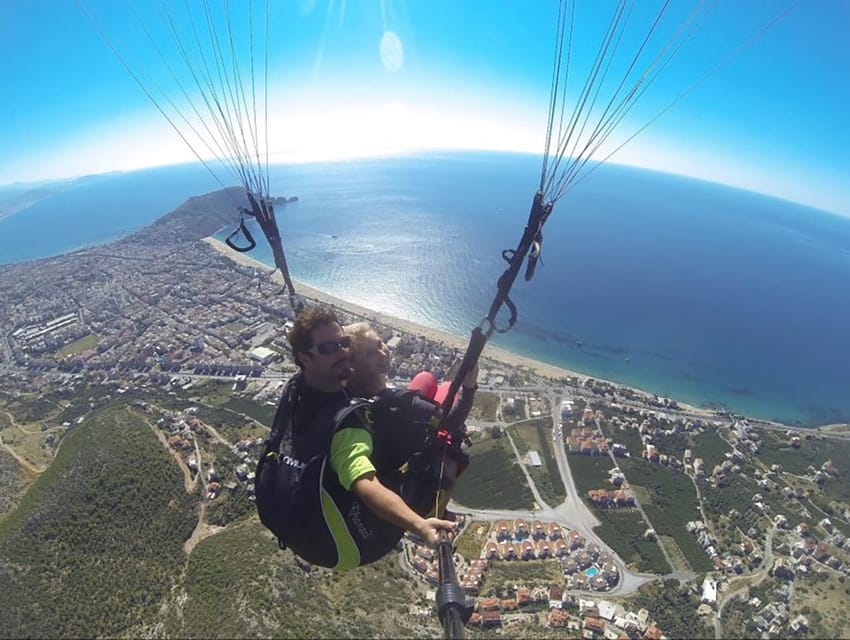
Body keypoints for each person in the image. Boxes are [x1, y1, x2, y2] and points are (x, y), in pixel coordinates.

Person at [255, 306, 456, 571]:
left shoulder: (296, 387)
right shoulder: (345, 422)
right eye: (329, 349)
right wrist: (420, 525)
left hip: (298, 526)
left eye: (344, 343)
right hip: (347, 545)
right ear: (305, 357)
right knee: (449, 443)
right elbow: (363, 482)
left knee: (424, 386)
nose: (341, 353)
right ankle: (434, 507)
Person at [343, 321, 479, 513]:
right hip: (409, 462)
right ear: (355, 365)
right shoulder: (403, 403)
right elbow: (452, 422)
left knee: (425, 378)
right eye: (370, 353)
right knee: (448, 388)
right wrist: (469, 387)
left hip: (385, 446)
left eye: (380, 344)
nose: (382, 353)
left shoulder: (350, 391)